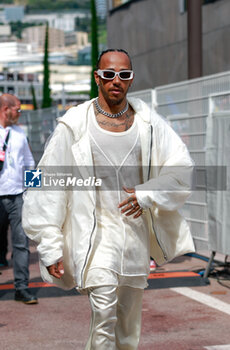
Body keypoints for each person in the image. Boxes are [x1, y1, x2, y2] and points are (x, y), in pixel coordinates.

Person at [22, 49, 195, 348]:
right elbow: (47, 184)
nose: (116, 80)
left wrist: (147, 193)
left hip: (135, 239)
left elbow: (182, 169)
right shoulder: (73, 125)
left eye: (124, 74)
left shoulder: (149, 124)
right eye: (109, 74)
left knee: (128, 327)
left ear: (131, 78)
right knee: (103, 311)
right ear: (97, 77)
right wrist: (50, 246)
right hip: (94, 238)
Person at [0, 93, 38, 304]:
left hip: (17, 196)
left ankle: (21, 288)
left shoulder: (20, 133)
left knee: (21, 243)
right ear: (6, 109)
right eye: (18, 109)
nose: (19, 113)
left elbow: (30, 162)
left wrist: (33, 192)